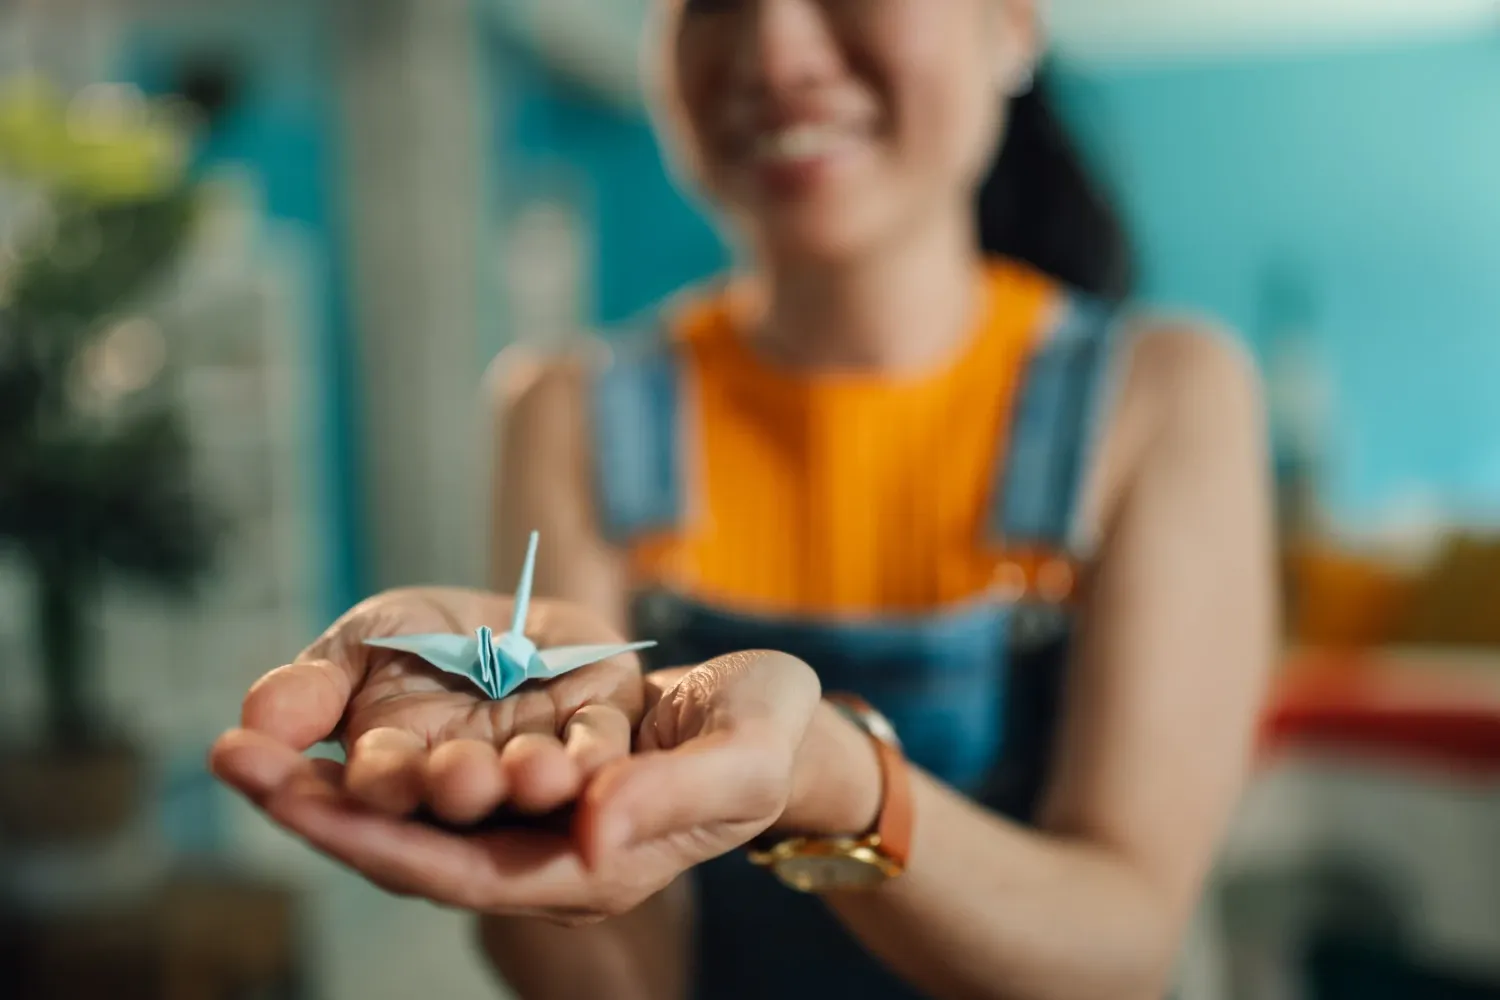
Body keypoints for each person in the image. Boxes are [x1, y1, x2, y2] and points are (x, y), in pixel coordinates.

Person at [210, 2, 1276, 999]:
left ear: (1012, 22)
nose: (774, 54)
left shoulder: (1163, 398)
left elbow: (1123, 944)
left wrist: (834, 779)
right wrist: (523, 847)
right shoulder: (569, 410)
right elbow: (618, 963)